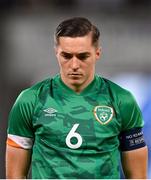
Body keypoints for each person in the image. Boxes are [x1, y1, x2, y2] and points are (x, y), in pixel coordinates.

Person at [6, 17, 148, 179]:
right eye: (66, 56)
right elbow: (15, 176)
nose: (74, 65)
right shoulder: (30, 100)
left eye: (82, 56)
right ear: (56, 53)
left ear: (97, 53)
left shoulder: (122, 100)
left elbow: (138, 176)